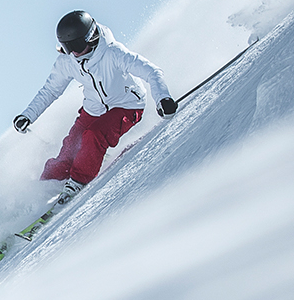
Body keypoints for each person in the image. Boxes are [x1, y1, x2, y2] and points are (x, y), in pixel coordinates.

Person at [12, 11, 176, 199]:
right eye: (67, 47)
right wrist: (28, 115)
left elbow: (151, 72)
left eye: (77, 45)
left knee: (94, 135)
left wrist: (163, 98)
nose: (73, 51)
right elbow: (50, 90)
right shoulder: (68, 61)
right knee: (67, 153)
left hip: (127, 105)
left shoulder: (113, 53)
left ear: (90, 37)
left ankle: (78, 183)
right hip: (93, 109)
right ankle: (40, 194)